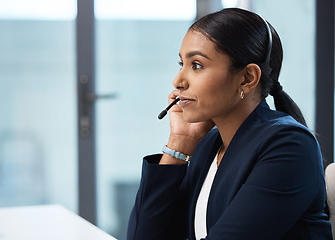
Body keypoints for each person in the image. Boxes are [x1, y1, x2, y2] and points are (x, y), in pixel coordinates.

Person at [127, 8, 333, 240]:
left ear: (247, 78)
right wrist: (180, 143)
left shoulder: (290, 146)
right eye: (181, 63)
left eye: (196, 65)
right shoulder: (209, 146)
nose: (178, 81)